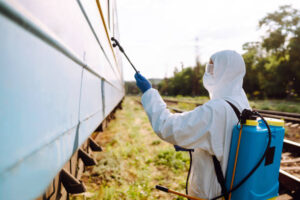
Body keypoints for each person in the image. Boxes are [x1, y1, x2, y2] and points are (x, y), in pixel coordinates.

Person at [134, 50, 250, 199]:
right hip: (232, 192)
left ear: (224, 71)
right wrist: (195, 142)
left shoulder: (216, 109)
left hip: (212, 195)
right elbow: (221, 140)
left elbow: (167, 126)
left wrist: (149, 93)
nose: (208, 73)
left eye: (212, 68)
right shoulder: (242, 104)